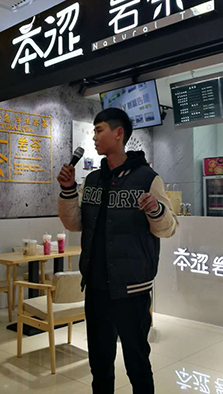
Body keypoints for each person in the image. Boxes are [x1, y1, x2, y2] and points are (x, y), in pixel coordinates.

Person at [57, 108, 178, 394]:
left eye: (99, 130)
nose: (94, 137)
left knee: (137, 362)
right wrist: (68, 189)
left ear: (118, 133)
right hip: (96, 287)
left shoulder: (148, 179)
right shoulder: (93, 180)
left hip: (132, 289)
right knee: (100, 364)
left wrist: (155, 209)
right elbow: (74, 224)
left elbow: (168, 228)